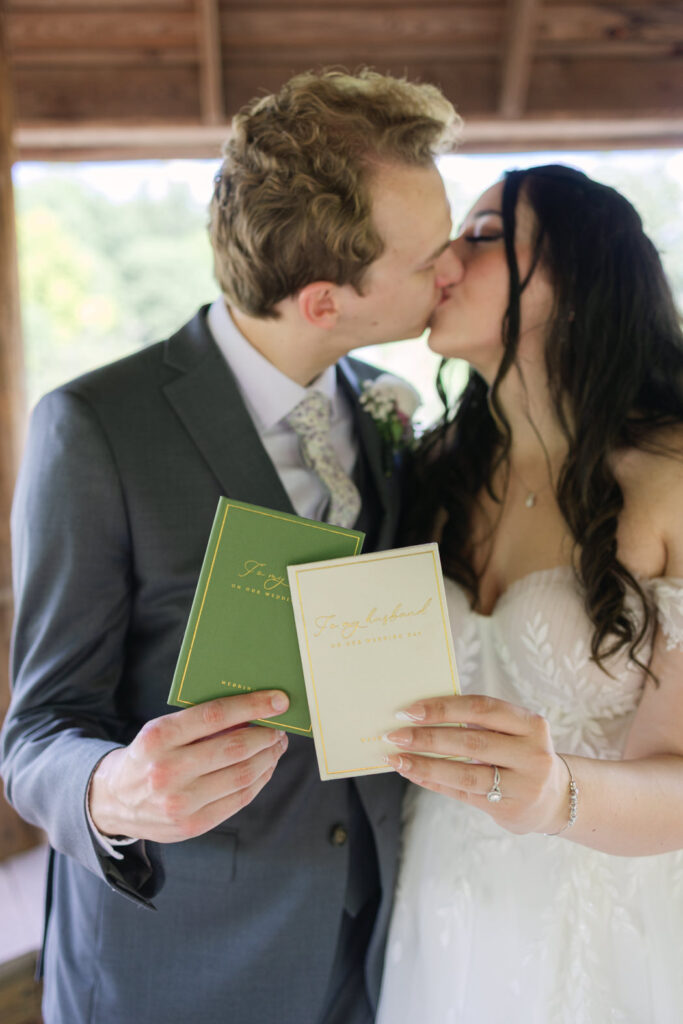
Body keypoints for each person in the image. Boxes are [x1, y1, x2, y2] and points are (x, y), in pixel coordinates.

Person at [0, 69, 462, 1024]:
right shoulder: (95, 428)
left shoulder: (385, 409)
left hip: (369, 948)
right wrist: (111, 789)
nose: (451, 269)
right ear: (325, 300)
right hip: (178, 966)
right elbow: (36, 735)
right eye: (429, 258)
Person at [376, 164, 683, 1022]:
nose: (444, 259)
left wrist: (554, 795)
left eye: (482, 236)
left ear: (577, 281)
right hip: (437, 901)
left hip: (603, 924)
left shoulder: (669, 479)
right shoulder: (433, 474)